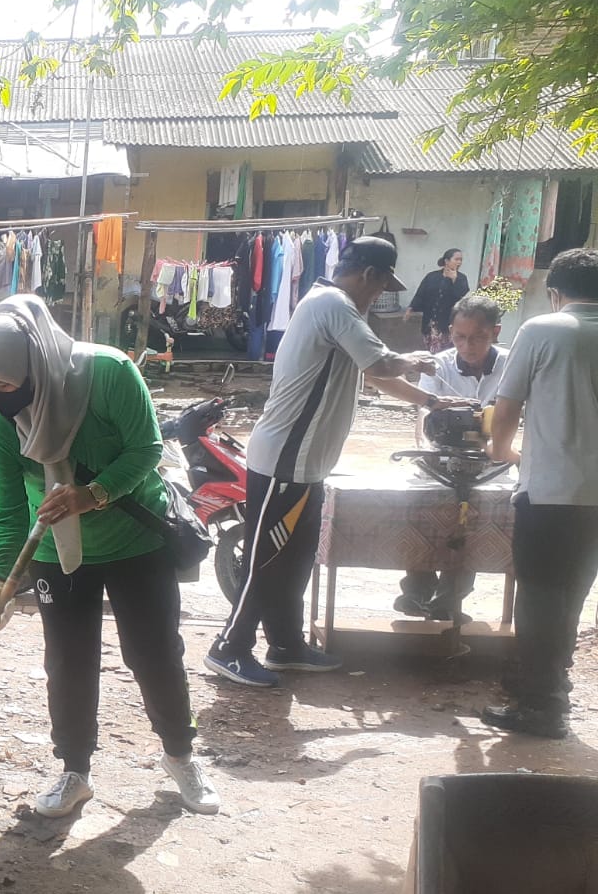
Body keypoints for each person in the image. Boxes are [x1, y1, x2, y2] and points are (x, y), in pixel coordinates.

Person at [0, 295, 220, 817]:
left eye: (4, 386)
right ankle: (74, 770)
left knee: (154, 653)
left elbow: (147, 449)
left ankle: (180, 755)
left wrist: (93, 494)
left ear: (33, 364)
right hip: (59, 560)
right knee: (67, 662)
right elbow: (7, 512)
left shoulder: (108, 374)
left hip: (136, 544)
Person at [206, 237, 444, 687]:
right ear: (369, 275)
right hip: (284, 462)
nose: (379, 295)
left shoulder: (338, 310)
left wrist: (431, 401)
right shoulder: (333, 303)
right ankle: (229, 648)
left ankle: (285, 644)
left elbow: (373, 371)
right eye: (380, 286)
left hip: (306, 465)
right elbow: (385, 362)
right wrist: (418, 363)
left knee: (296, 561)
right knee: (266, 560)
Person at [482, 248, 598, 739]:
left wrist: (501, 452)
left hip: (552, 491)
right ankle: (551, 682)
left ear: (555, 293)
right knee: (571, 595)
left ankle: (540, 705)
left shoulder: (541, 330)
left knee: (539, 598)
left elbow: (506, 407)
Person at [396, 291, 509, 621]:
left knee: (473, 524)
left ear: (496, 333)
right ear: (450, 332)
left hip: (490, 463)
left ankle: (449, 600)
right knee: (421, 511)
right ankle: (415, 590)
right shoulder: (439, 364)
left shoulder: (512, 364)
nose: (468, 346)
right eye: (459, 337)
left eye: (478, 338)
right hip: (440, 460)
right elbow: (425, 417)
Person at [406, 248, 470, 352]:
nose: (459, 262)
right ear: (447, 261)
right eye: (456, 259)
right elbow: (420, 293)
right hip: (430, 321)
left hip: (448, 323)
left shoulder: (461, 278)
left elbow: (460, 294)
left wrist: (454, 280)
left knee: (446, 352)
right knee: (430, 350)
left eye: (461, 260)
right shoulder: (432, 276)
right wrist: (411, 308)